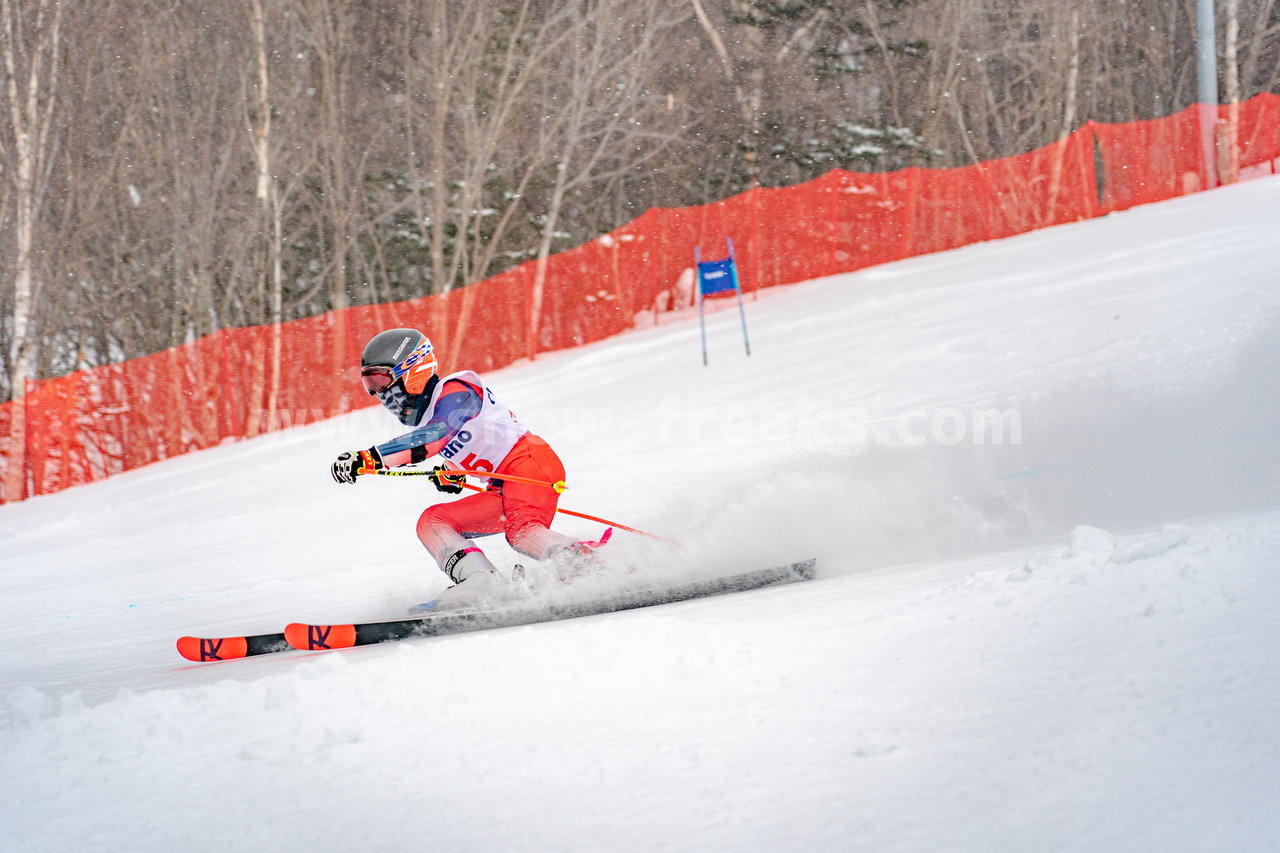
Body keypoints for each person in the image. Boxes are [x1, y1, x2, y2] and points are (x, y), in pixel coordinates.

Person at [330, 328, 595, 605]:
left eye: (381, 380)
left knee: (522, 532)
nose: (378, 394)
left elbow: (435, 435)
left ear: (413, 370)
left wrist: (370, 457)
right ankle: (481, 582)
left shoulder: (457, 390)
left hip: (530, 463)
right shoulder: (430, 416)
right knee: (434, 522)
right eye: (369, 384)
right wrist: (450, 473)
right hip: (504, 487)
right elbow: (465, 443)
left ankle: (586, 565)